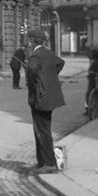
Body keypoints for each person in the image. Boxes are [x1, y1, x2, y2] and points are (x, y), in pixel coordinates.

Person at [24, 27, 65, 173]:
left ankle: (49, 163)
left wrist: (39, 84)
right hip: (50, 97)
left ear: (32, 41)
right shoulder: (47, 53)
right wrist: (49, 78)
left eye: (28, 40)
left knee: (42, 131)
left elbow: (33, 71)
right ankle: (42, 161)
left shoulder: (35, 56)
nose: (27, 43)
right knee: (42, 129)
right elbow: (60, 63)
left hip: (40, 98)